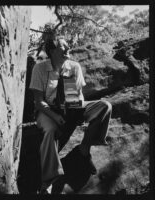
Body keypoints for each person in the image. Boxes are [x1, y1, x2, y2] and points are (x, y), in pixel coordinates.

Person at [29, 35, 112, 194]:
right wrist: (55, 116)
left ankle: (84, 149)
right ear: (52, 50)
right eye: (64, 46)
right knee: (51, 130)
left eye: (68, 46)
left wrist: (76, 110)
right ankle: (48, 182)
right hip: (47, 110)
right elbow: (38, 102)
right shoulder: (39, 68)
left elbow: (78, 96)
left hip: (71, 104)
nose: (69, 48)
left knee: (104, 106)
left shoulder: (74, 67)